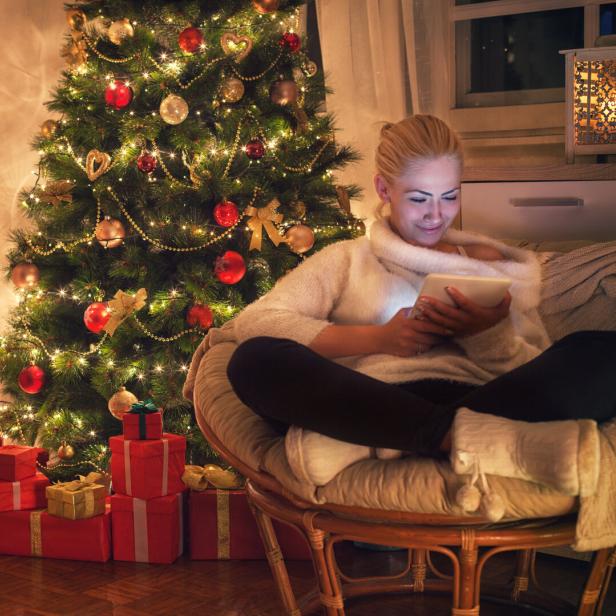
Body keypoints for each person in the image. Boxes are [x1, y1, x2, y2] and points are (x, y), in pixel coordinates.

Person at [226, 114, 613, 507]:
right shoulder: (346, 259)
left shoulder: (489, 261)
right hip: (373, 399)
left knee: (603, 354)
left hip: (485, 397)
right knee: (252, 360)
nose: (436, 215)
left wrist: (489, 335)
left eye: (449, 196)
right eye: (418, 198)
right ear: (383, 188)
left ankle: (367, 445)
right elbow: (256, 322)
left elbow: (531, 366)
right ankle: (456, 438)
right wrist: (380, 339)